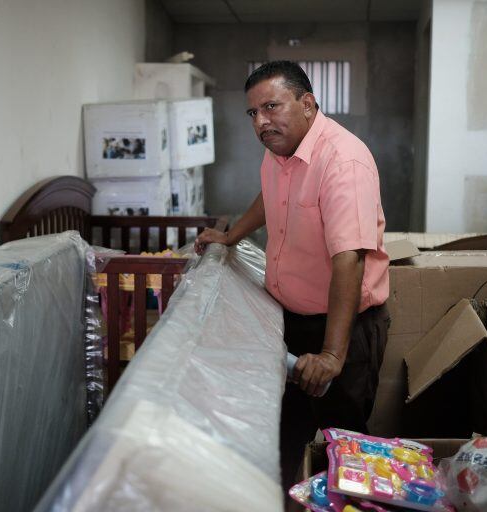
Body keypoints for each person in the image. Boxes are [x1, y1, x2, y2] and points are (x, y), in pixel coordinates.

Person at [194, 61, 390, 491]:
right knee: (288, 434)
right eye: (253, 113)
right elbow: (270, 197)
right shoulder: (280, 152)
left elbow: (349, 260)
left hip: (342, 330)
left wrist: (332, 356)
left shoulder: (343, 161)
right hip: (293, 322)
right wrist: (230, 237)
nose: (261, 122)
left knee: (346, 445)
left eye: (271, 107)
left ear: (307, 103)